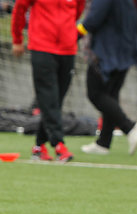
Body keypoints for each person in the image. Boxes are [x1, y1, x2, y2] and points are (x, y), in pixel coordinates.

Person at [11, 0, 85, 162]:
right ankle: (59, 145)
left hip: (68, 49)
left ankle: (38, 147)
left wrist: (67, 32)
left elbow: (78, 10)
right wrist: (17, 39)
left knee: (56, 100)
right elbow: (19, 9)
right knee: (49, 98)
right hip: (41, 47)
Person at [78, 0, 137, 156]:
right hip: (127, 51)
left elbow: (94, 19)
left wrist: (74, 34)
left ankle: (129, 127)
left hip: (106, 52)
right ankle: (103, 143)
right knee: (111, 96)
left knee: (95, 94)